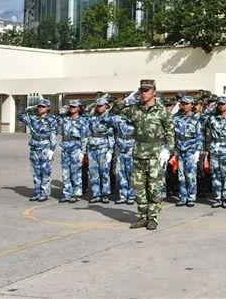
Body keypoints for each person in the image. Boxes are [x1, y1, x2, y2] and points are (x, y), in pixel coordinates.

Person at [111, 79, 175, 230]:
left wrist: (168, 150)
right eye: (141, 90)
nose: (143, 93)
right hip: (138, 153)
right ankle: (143, 216)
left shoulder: (162, 111)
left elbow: (170, 132)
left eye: (147, 90)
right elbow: (115, 110)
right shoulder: (135, 109)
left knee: (154, 188)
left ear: (154, 92)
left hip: (155, 154)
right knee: (138, 188)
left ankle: (152, 217)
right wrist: (126, 100)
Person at [18, 98, 58, 202]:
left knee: (45, 172)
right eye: (39, 106)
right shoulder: (33, 118)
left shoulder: (51, 120)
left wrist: (52, 149)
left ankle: (44, 193)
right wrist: (30, 108)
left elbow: (53, 134)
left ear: (48, 108)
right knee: (35, 171)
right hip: (34, 147)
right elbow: (20, 116)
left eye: (43, 106)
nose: (40, 108)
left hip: (45, 147)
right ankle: (37, 192)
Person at [173, 96, 204, 207]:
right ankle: (183, 197)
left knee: (191, 174)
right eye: (183, 104)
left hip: (191, 150)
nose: (185, 106)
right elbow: (173, 135)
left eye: (187, 104)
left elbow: (199, 136)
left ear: (192, 105)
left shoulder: (196, 120)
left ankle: (191, 197)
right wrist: (174, 149)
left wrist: (198, 150)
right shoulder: (177, 119)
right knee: (181, 175)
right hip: (180, 149)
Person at [58, 100, 90, 203]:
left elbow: (84, 137)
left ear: (79, 108)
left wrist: (83, 152)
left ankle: (75, 194)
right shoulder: (65, 119)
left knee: (75, 173)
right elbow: (56, 121)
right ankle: (67, 193)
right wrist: (61, 113)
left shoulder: (82, 121)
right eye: (71, 106)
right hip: (65, 149)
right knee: (65, 173)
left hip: (76, 149)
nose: (72, 108)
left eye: (74, 107)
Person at [87, 97, 115, 204]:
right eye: (97, 106)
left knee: (104, 172)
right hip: (92, 148)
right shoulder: (92, 117)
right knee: (93, 172)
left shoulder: (109, 118)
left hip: (104, 148)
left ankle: (105, 194)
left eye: (101, 105)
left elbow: (111, 136)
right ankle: (96, 194)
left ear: (106, 106)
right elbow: (88, 131)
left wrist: (110, 151)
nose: (99, 107)